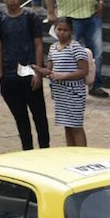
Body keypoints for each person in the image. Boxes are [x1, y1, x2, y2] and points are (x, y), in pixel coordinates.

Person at [0, 0, 49, 150]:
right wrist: (1, 76)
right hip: (10, 77)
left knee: (39, 117)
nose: (12, 0)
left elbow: (38, 45)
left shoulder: (31, 19)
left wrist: (38, 73)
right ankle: (27, 152)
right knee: (21, 119)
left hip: (31, 75)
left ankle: (45, 152)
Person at [36, 17, 88, 147]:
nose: (62, 33)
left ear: (71, 31)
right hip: (60, 93)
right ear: (55, 29)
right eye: (59, 29)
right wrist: (37, 69)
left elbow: (84, 70)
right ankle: (71, 152)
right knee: (67, 125)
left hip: (74, 92)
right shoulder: (53, 48)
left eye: (65, 30)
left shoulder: (75, 47)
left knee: (76, 125)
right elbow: (50, 71)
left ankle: (82, 154)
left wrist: (64, 76)